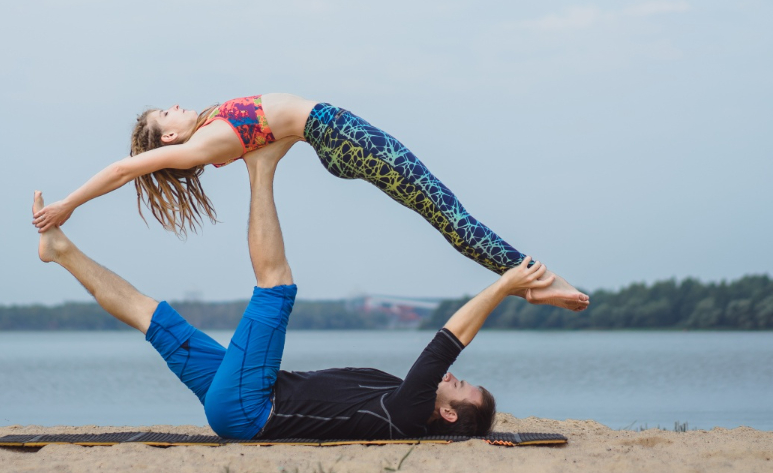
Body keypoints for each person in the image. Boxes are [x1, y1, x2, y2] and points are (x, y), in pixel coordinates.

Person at [30, 145, 555, 441]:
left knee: (276, 288)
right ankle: (62, 251)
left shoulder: (407, 411)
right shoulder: (395, 395)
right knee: (156, 319)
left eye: (464, 389)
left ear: (446, 414)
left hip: (249, 408)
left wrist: (505, 284)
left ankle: (260, 166)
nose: (457, 380)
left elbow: (447, 341)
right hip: (244, 394)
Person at [32, 93, 589, 311]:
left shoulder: (207, 131)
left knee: (443, 212)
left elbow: (268, 130)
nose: (174, 107)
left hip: (326, 138)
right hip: (340, 135)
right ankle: (539, 281)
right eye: (165, 116)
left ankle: (533, 280)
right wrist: (68, 204)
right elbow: (126, 169)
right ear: (170, 138)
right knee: (448, 213)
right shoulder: (199, 144)